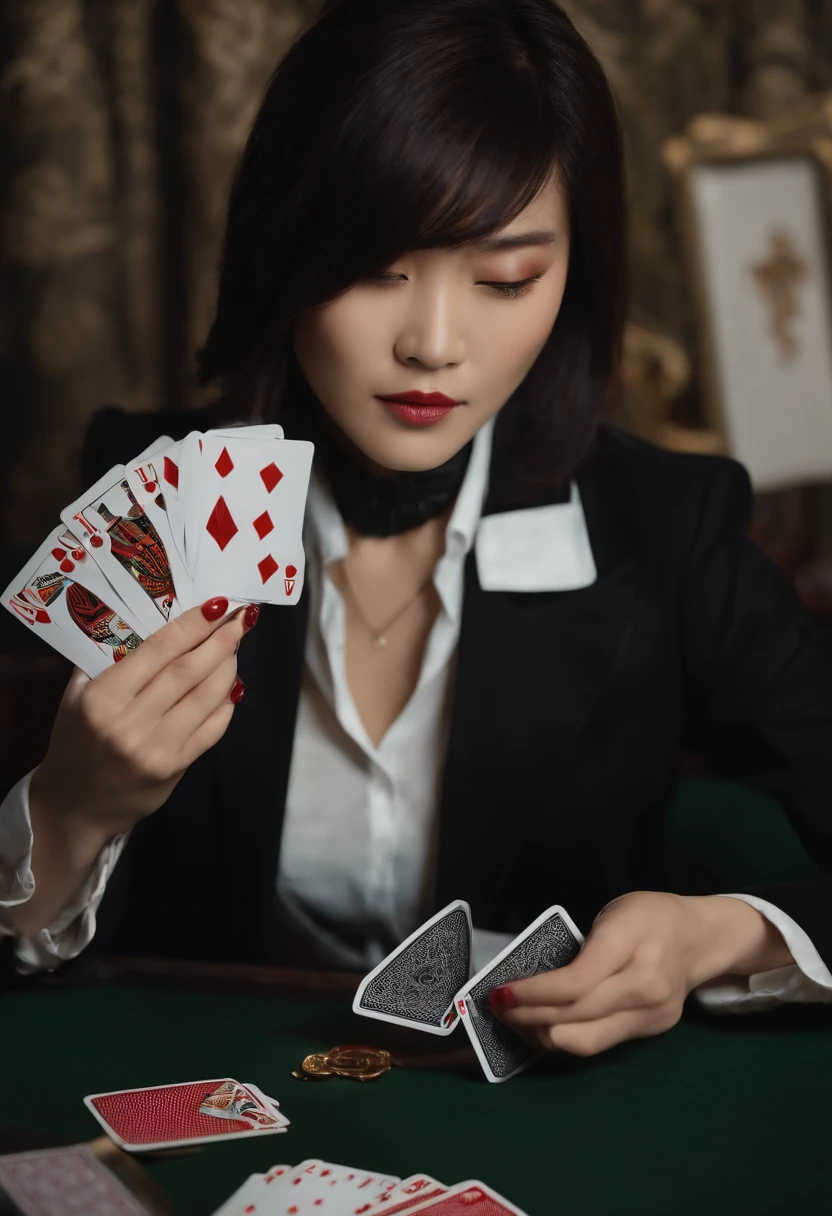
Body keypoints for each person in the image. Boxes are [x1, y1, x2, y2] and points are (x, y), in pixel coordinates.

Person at [2, 0, 831, 1060]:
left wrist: (715, 933)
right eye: (375, 268)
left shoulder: (668, 529)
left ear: (574, 272)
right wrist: (73, 805)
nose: (433, 344)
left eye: (505, 278)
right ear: (286, 253)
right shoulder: (151, 500)